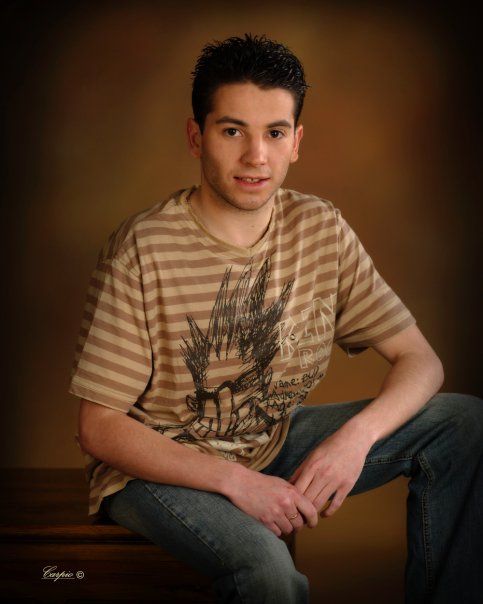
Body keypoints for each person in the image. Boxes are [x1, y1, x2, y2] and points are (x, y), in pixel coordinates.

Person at [69, 34, 483, 604]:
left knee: (463, 425)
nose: (256, 157)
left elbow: (421, 361)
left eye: (275, 133)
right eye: (232, 131)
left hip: (270, 441)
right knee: (268, 570)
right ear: (196, 137)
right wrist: (236, 482)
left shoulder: (320, 229)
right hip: (158, 469)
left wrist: (354, 441)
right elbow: (99, 426)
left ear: (296, 142)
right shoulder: (143, 248)